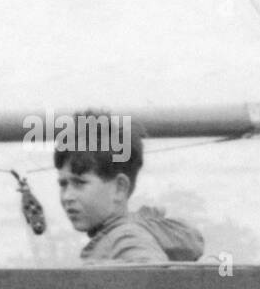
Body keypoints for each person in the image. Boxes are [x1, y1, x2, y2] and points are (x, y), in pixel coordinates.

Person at [54, 112, 203, 264]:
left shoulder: (125, 239)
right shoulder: (119, 236)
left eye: (79, 183)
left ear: (119, 188)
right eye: (63, 184)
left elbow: (152, 281)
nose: (67, 197)